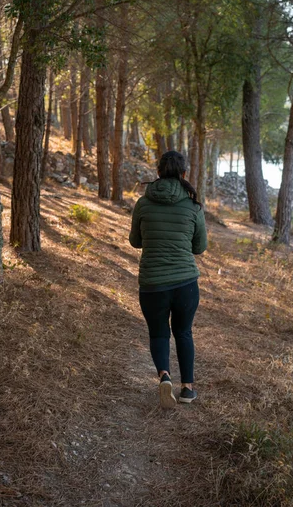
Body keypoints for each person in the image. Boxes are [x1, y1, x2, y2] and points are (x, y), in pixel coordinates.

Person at [129, 150, 208, 408]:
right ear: (184, 174)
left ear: (159, 172)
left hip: (152, 283)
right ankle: (187, 389)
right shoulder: (193, 206)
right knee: (183, 332)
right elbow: (199, 248)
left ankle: (164, 376)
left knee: (159, 333)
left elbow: (135, 241)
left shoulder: (143, 203)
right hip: (186, 282)